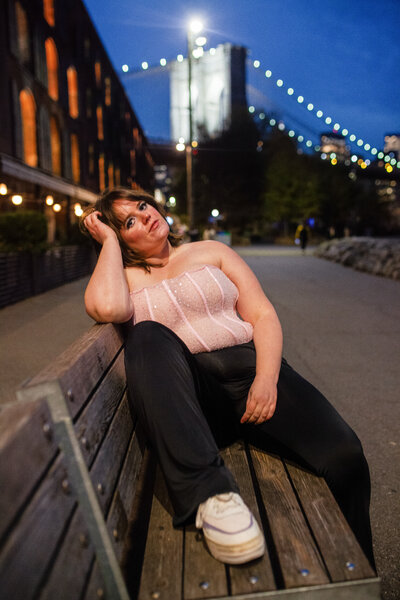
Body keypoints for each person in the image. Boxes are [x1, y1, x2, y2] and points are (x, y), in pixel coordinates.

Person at [81, 187, 375, 567]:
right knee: (148, 334)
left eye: (142, 205)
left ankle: (361, 571)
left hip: (254, 376)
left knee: (347, 457)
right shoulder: (124, 279)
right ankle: (209, 495)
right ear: (120, 239)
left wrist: (267, 379)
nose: (147, 214)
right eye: (129, 222)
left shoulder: (211, 251)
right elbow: (107, 307)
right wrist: (107, 244)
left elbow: (263, 316)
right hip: (198, 400)